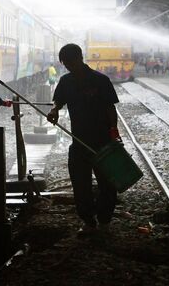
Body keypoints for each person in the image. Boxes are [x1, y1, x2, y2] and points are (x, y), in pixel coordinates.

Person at [47, 44, 120, 236]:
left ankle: (104, 221)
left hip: (103, 142)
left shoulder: (100, 80)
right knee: (80, 184)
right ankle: (89, 221)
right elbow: (58, 101)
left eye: (70, 62)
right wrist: (54, 109)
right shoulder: (66, 81)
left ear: (80, 58)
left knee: (107, 185)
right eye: (65, 64)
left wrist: (114, 130)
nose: (68, 66)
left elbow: (110, 108)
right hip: (79, 142)